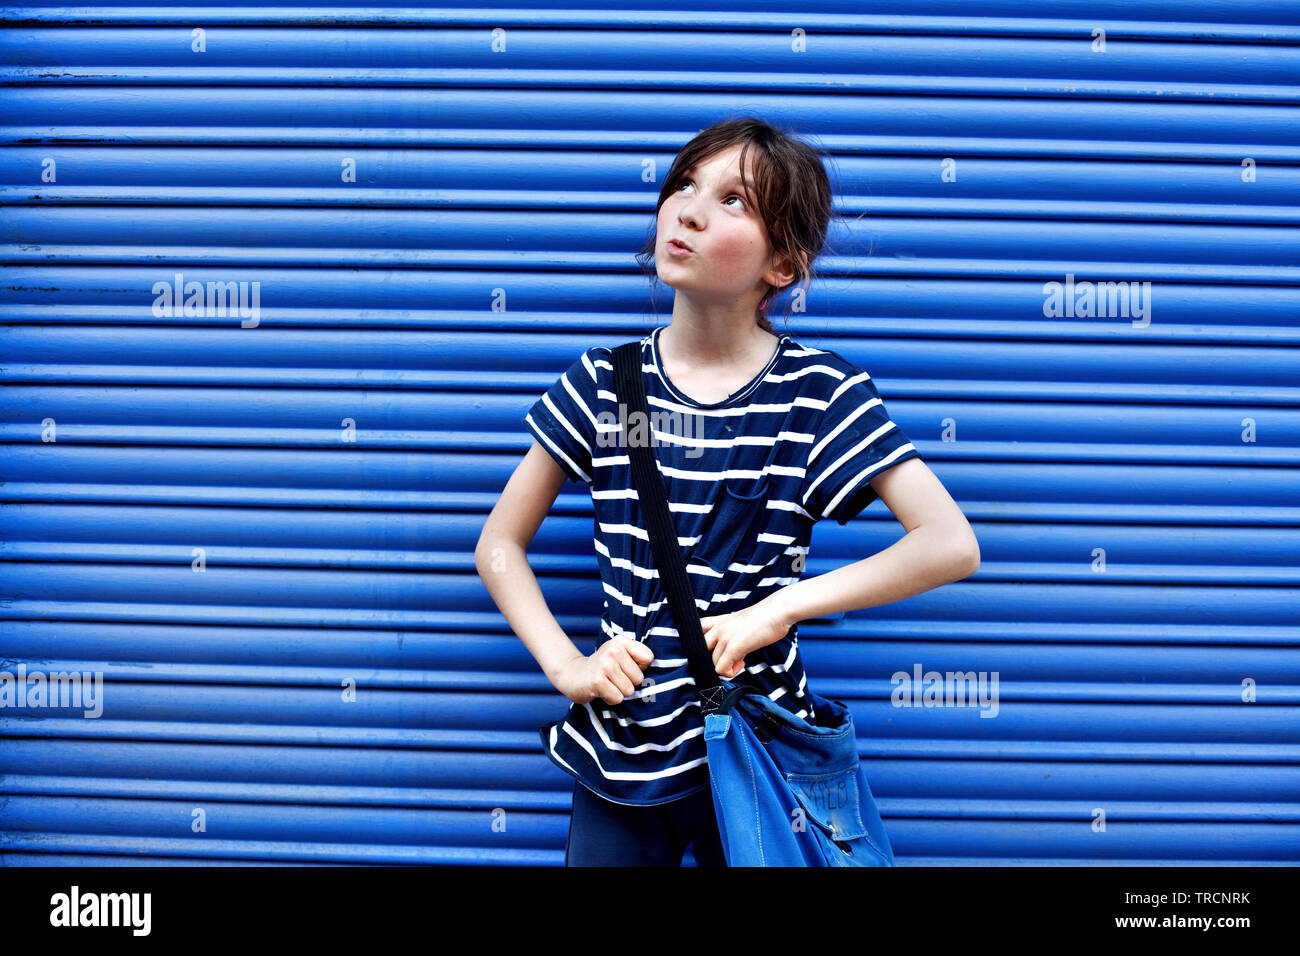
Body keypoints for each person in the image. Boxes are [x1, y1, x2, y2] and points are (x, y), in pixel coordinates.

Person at [475, 116, 980, 866]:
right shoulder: (613, 388)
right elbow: (499, 545)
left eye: (734, 201)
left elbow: (949, 544)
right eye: (684, 185)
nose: (689, 209)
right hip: (621, 751)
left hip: (755, 746)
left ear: (783, 265)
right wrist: (568, 667)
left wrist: (777, 610)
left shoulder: (814, 395)